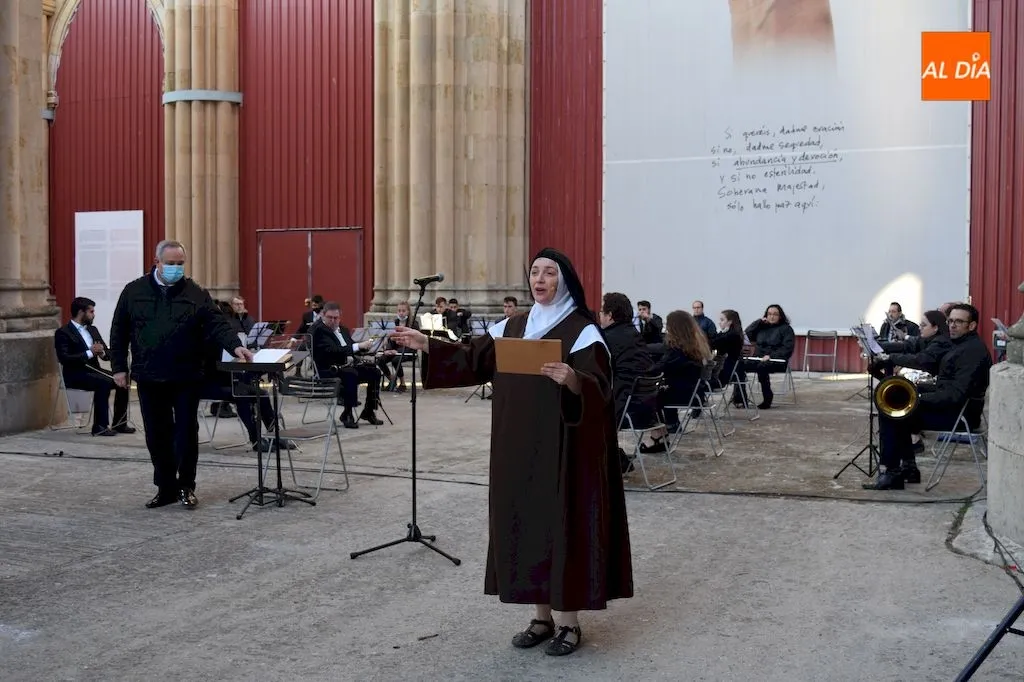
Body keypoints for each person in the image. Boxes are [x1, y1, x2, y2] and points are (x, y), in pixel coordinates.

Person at [391, 248, 633, 657]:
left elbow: (602, 389)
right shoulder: (514, 326)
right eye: (535, 272)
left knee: (561, 526)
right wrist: (427, 345)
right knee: (526, 524)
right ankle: (541, 617)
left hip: (563, 453)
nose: (539, 279)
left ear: (565, 280)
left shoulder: (582, 332)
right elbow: (473, 358)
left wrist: (574, 379)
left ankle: (569, 623)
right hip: (517, 449)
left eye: (549, 273)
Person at [109, 240, 253, 509]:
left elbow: (216, 324)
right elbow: (119, 331)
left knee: (186, 432)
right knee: (156, 434)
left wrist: (235, 345)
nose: (176, 268)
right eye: (171, 263)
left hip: (186, 374)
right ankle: (165, 488)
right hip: (150, 374)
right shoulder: (134, 291)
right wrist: (119, 367)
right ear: (157, 262)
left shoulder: (195, 292)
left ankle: (186, 486)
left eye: (180, 264)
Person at [864, 303, 991, 490]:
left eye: (959, 322)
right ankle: (908, 469)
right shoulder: (960, 343)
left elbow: (954, 395)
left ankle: (892, 472)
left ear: (971, 326)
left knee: (892, 413)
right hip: (955, 408)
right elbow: (929, 360)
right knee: (897, 400)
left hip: (959, 415)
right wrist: (912, 391)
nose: (953, 325)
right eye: (951, 321)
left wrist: (915, 398)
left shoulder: (972, 351)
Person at [54, 297, 134, 436]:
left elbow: (106, 354)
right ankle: (100, 426)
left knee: (123, 380)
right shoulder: (63, 332)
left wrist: (102, 352)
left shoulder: (92, 329)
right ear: (81, 312)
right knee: (104, 383)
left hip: (95, 371)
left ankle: (120, 423)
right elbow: (64, 358)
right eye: (91, 311)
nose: (94, 314)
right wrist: (89, 352)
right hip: (75, 374)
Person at [310, 301, 384, 429]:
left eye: (336, 318)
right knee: (351, 373)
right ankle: (347, 413)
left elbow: (351, 347)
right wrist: (357, 346)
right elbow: (332, 350)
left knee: (375, 372)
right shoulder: (319, 330)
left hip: (344, 368)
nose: (333, 321)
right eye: (330, 318)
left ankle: (369, 410)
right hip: (328, 370)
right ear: (323, 315)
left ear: (340, 317)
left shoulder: (343, 330)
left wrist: (369, 348)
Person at [743, 304, 796, 409]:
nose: (772, 317)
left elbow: (787, 349)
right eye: (769, 314)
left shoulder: (786, 329)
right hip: (758, 358)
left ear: (780, 316)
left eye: (775, 314)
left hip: (777, 360)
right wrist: (758, 322)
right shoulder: (761, 327)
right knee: (738, 366)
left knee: (762, 367)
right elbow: (747, 334)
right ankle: (740, 398)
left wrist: (770, 356)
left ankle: (767, 398)